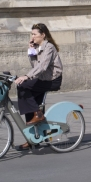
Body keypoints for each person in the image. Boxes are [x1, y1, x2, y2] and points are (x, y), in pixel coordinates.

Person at [14, 23, 63, 151]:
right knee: (27, 98)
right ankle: (32, 139)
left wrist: (26, 76)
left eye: (35, 34)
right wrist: (31, 50)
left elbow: (42, 67)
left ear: (43, 35)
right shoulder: (38, 47)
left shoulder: (49, 47)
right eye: (32, 34)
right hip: (42, 78)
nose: (32, 36)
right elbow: (35, 65)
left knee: (23, 86)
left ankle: (38, 115)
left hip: (52, 80)